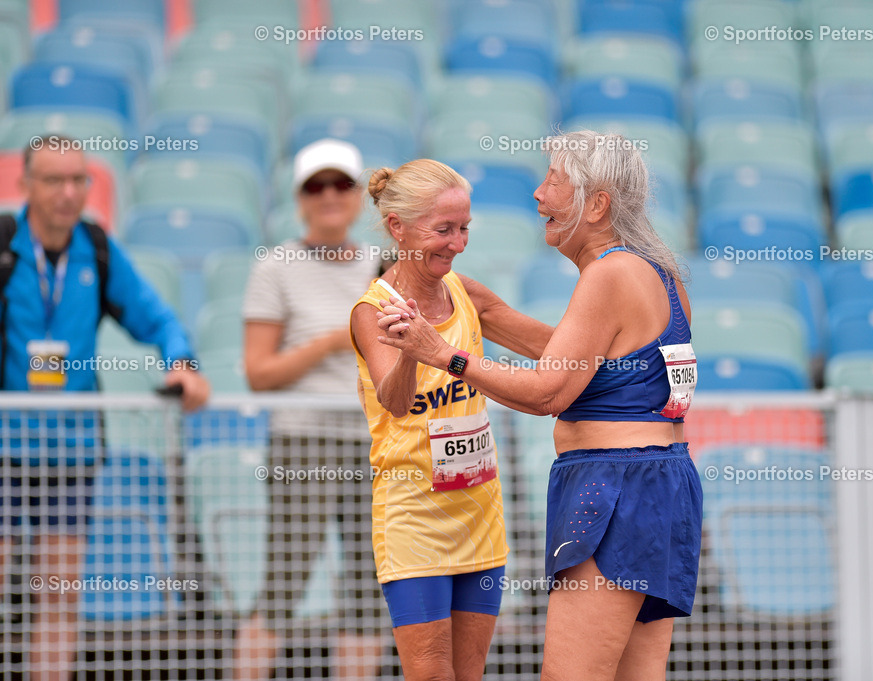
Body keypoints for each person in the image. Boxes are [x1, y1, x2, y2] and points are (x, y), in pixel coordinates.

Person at [377, 130, 703, 681]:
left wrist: (443, 354)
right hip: (663, 483)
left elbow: (547, 392)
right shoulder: (658, 272)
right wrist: (482, 309)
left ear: (596, 205)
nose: (538, 193)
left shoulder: (608, 274)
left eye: (553, 180)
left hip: (613, 485)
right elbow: (583, 357)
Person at [0, 136, 210, 681]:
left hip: (71, 450)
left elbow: (156, 317)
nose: (69, 192)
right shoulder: (4, 245)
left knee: (59, 596)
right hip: (4, 444)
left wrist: (182, 362)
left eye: (79, 179)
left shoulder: (96, 248)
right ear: (26, 184)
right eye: (54, 180)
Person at [349, 159, 553, 681]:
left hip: (479, 514)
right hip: (414, 517)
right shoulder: (373, 311)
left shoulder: (467, 293)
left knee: (470, 673)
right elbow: (395, 402)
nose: (458, 244)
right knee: (432, 675)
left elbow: (552, 348)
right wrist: (414, 351)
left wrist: (618, 317)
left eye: (464, 228)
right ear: (398, 227)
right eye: (443, 230)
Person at [235, 139, 383, 680]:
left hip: (376, 440)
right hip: (304, 439)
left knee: (370, 589)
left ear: (358, 196)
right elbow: (258, 373)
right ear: (300, 199)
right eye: (316, 186)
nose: (329, 196)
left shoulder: (385, 264)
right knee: (284, 582)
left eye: (341, 184)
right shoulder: (275, 267)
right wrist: (331, 342)